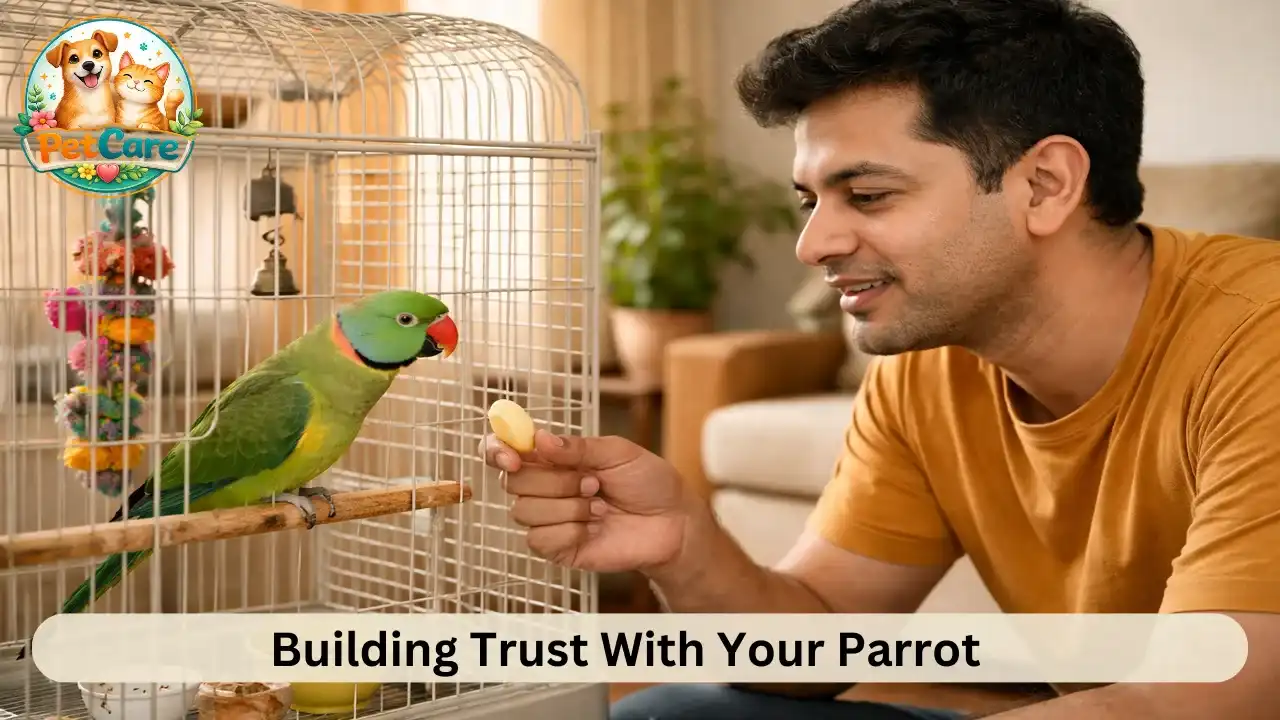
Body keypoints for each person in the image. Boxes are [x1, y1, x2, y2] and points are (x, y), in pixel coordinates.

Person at [481, 0, 1280, 717]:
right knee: (682, 713)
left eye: (867, 196)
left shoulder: (1258, 341)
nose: (813, 244)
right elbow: (819, 642)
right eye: (810, 200)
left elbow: (1210, 695)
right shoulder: (930, 367)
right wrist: (684, 543)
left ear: (1044, 184)